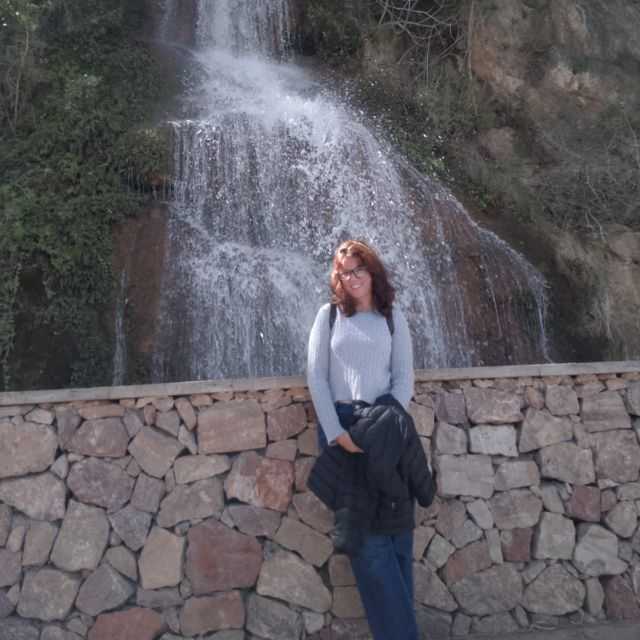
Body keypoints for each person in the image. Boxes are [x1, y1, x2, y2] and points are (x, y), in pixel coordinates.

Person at [307, 239, 427, 640]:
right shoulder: (328, 317)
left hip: (387, 427)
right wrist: (336, 433)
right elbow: (317, 377)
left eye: (359, 269)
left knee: (398, 538)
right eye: (345, 272)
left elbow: (404, 378)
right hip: (344, 427)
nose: (352, 278)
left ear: (372, 271)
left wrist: (385, 425)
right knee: (369, 546)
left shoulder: (393, 318)